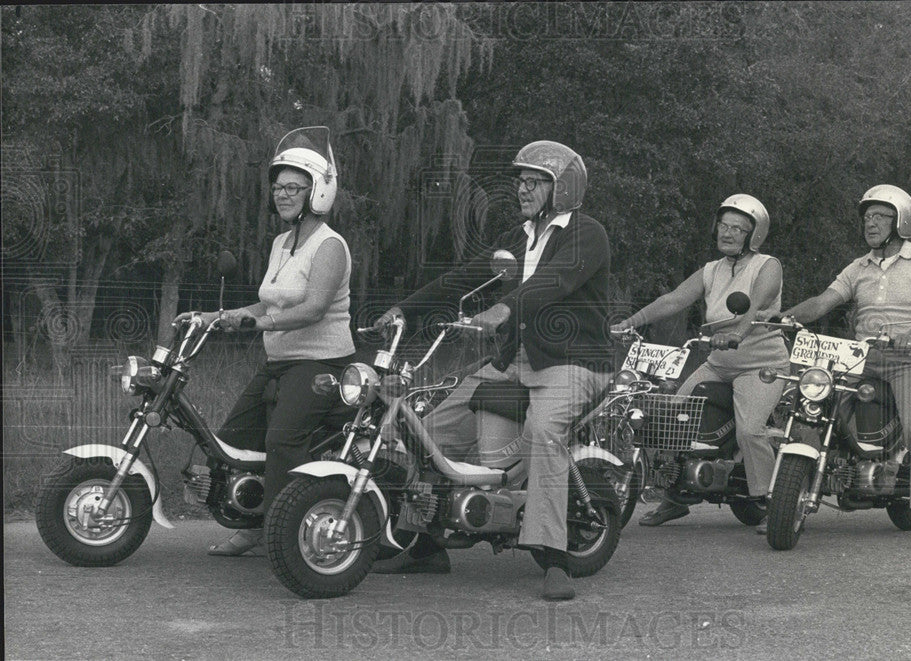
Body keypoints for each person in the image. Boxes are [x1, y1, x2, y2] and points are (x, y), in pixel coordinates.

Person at [370, 141, 614, 600]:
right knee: (428, 429)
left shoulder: (587, 234)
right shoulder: (520, 237)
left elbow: (553, 281)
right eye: (519, 180)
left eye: (534, 181)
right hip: (516, 362)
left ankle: (554, 556)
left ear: (562, 188)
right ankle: (426, 544)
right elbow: (463, 277)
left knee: (544, 431)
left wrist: (504, 308)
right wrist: (404, 309)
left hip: (576, 361)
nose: (522, 188)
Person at [175, 127, 356, 556]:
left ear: (318, 191)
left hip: (322, 366)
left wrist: (261, 325)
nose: (282, 194)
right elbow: (263, 304)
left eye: (293, 187)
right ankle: (253, 525)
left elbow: (312, 309)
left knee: (281, 443)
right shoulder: (281, 242)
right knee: (232, 438)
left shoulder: (330, 246)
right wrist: (213, 317)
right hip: (279, 363)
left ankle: (284, 539)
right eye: (278, 187)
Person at [777, 184, 911, 541]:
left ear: (900, 221)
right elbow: (821, 302)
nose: (870, 223)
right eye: (866, 217)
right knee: (804, 401)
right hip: (862, 357)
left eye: (879, 216)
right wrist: (784, 317)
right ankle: (782, 497)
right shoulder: (858, 267)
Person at [612, 194, 788, 534]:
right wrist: (630, 322)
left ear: (753, 235)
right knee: (671, 418)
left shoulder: (768, 265)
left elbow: (756, 305)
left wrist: (738, 331)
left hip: (761, 363)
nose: (728, 233)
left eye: (738, 229)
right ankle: (675, 497)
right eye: (724, 226)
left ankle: (769, 501)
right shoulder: (712, 270)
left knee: (749, 429)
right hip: (719, 361)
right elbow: (675, 299)